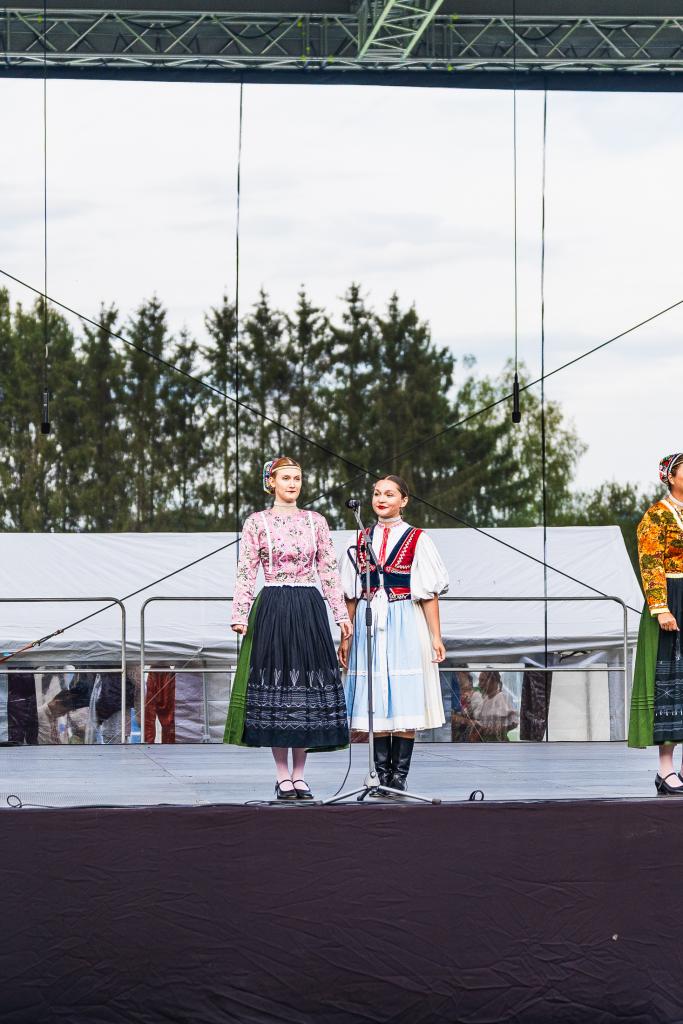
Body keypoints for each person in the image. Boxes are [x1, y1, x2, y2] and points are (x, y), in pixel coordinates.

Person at [224, 456, 352, 800]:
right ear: (271, 482)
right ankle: (282, 774)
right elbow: (246, 570)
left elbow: (328, 570)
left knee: (306, 686)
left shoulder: (316, 521)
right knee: (278, 685)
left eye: (297, 478)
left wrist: (340, 613)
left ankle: (300, 775)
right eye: (286, 478)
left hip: (308, 604)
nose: (293, 483)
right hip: (274, 604)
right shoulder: (257, 522)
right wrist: (240, 613)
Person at [338, 475, 448, 793]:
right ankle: (380, 774)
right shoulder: (360, 538)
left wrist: (436, 637)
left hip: (405, 619)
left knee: (404, 695)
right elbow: (350, 594)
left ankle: (399, 775)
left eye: (389, 494)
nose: (381, 499)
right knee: (375, 696)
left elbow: (428, 594)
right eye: (376, 493)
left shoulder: (418, 539)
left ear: (404, 500)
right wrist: (346, 636)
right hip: (369, 621)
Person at [629, 452, 683, 794]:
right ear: (671, 478)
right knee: (669, 681)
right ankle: (665, 769)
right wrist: (660, 608)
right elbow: (650, 562)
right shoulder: (657, 516)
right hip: (671, 598)